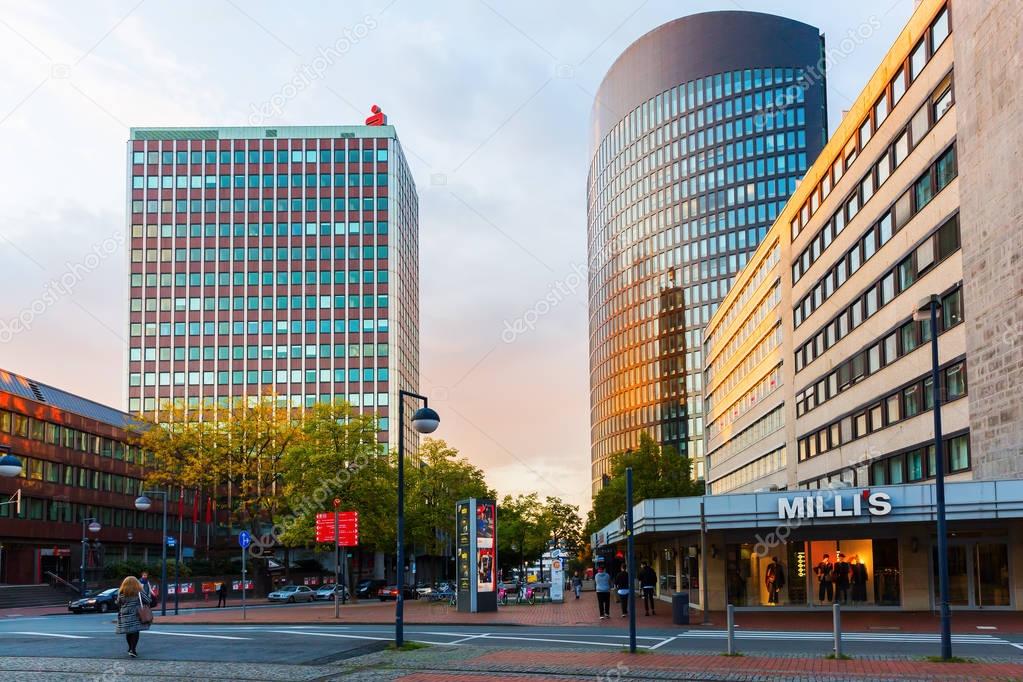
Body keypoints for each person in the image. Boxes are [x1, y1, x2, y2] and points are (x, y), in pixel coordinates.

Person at [115, 576, 152, 658]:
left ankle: (130, 648)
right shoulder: (139, 592)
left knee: (128, 632)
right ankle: (133, 649)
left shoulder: (121, 593)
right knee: (135, 631)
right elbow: (148, 600)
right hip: (136, 613)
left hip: (124, 614)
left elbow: (118, 603)